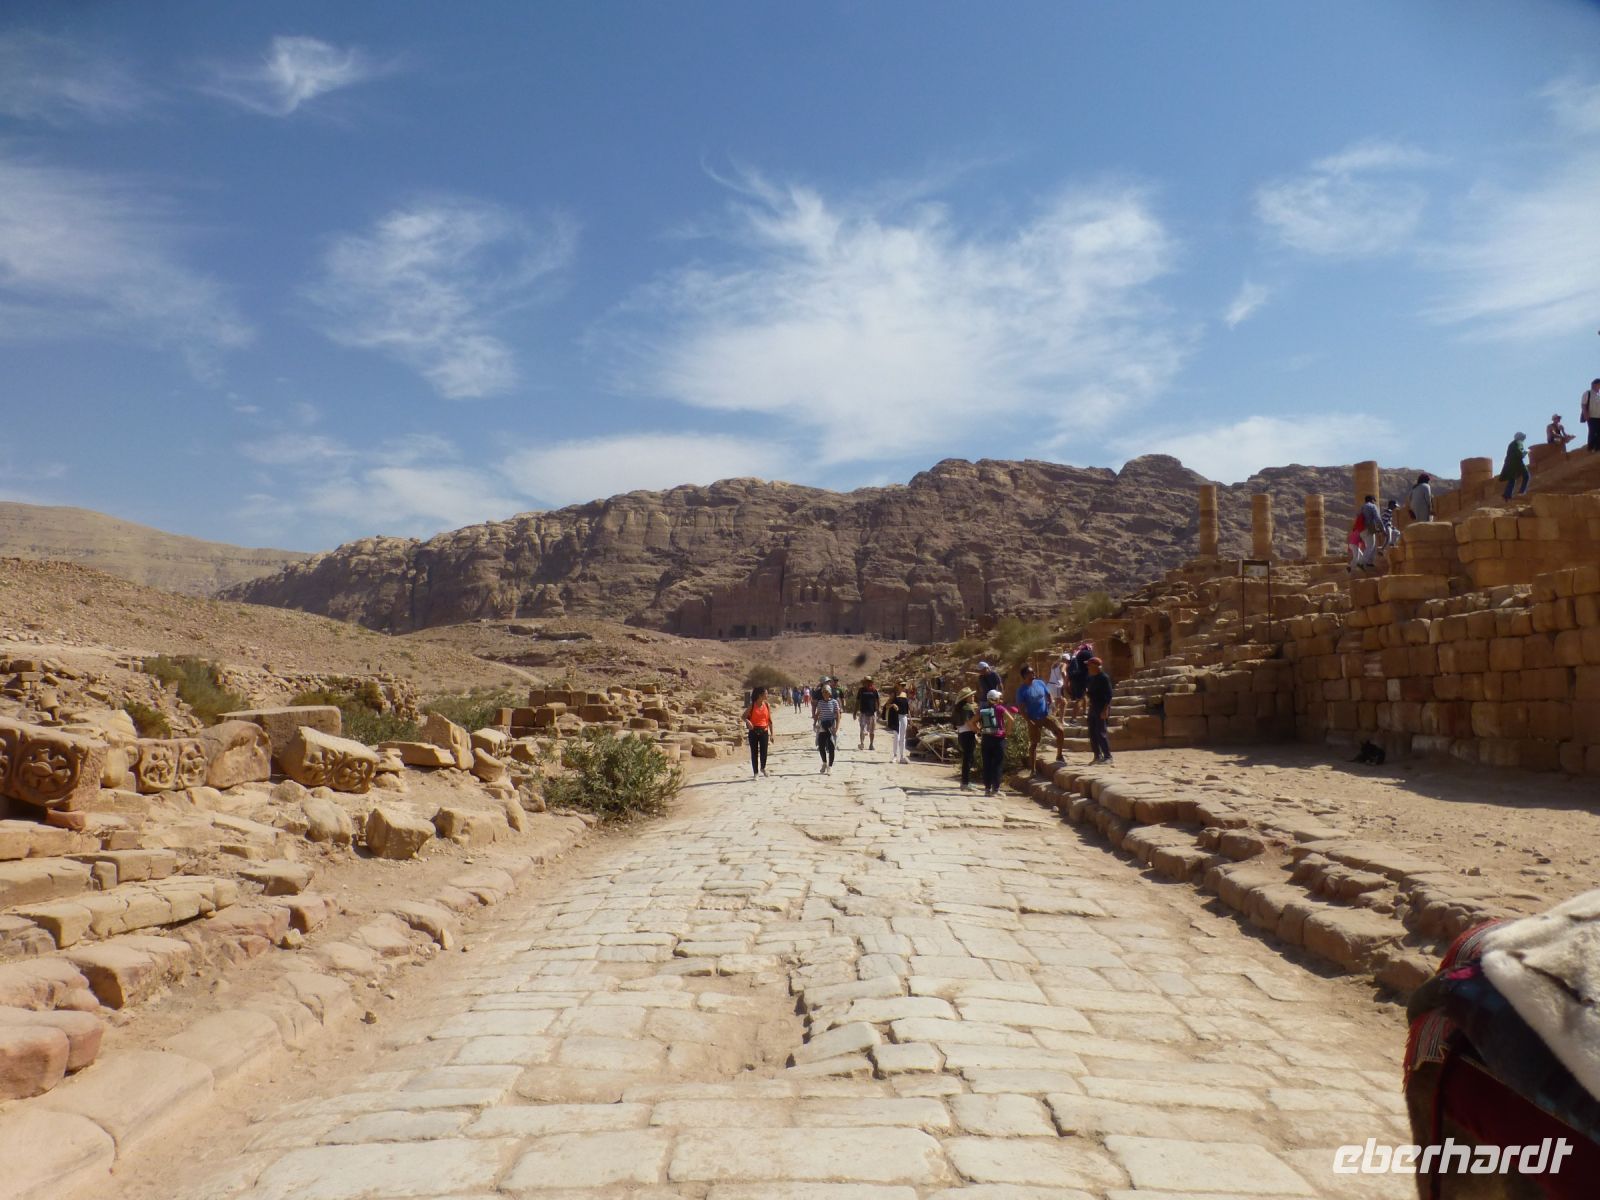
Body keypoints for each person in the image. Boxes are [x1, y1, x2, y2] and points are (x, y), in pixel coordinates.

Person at [1014, 663, 1066, 769]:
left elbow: (1048, 694)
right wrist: (1029, 721)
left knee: (1060, 730)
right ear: (1024, 675)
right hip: (1033, 719)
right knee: (1034, 744)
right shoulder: (1021, 690)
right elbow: (1021, 709)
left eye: (1033, 671)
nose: (1033, 673)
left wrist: (1050, 701)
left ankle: (1059, 755)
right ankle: (1032, 769)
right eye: (1030, 672)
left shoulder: (1040, 683)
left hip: (1046, 715)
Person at [976, 688, 1011, 796]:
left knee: (987, 764)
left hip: (986, 738)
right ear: (996, 699)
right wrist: (1007, 732)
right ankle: (995, 789)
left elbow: (972, 722)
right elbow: (1011, 719)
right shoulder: (1000, 708)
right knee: (997, 764)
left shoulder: (982, 710)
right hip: (998, 739)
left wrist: (979, 731)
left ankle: (987, 788)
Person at [1085, 657, 1115, 765]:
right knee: (1092, 732)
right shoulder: (1091, 678)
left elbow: (1109, 695)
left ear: (1094, 666)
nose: (1087, 667)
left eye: (1089, 665)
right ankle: (1097, 755)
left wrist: (1105, 709)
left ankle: (1108, 756)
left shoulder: (1104, 678)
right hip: (1093, 707)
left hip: (1101, 707)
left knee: (1101, 732)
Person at [950, 686, 979, 792]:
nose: (973, 696)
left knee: (967, 759)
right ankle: (965, 783)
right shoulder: (967, 707)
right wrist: (977, 731)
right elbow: (968, 722)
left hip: (961, 734)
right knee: (968, 759)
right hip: (968, 734)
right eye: (971, 695)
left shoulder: (958, 708)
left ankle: (965, 782)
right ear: (966, 698)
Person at [742, 687, 772, 778]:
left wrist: (772, 734)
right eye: (766, 693)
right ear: (760, 695)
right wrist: (748, 722)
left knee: (764, 752)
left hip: (764, 731)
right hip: (753, 731)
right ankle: (755, 773)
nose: (767, 695)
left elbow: (770, 720)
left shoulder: (767, 705)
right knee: (754, 752)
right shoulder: (752, 705)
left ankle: (763, 768)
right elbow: (743, 716)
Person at [813, 686, 840, 774]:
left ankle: (830, 766)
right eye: (823, 692)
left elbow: (838, 715)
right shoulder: (820, 703)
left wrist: (837, 727)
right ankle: (824, 763)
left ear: (830, 693)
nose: (825, 694)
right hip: (822, 727)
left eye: (826, 692)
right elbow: (817, 713)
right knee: (821, 747)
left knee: (831, 747)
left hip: (831, 727)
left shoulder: (834, 702)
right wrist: (815, 723)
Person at [1066, 643, 1093, 721]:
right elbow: (1092, 663)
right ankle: (1073, 719)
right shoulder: (1087, 653)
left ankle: (1085, 711)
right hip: (1083, 678)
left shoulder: (1077, 654)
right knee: (1080, 698)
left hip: (1075, 678)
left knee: (1084, 695)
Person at [1500, 433, 1530, 500]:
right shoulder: (1519, 443)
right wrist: (1526, 452)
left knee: (1512, 479)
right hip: (1517, 463)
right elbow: (1520, 454)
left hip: (1509, 464)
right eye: (1523, 438)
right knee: (1526, 476)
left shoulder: (1511, 444)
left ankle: (1507, 495)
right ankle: (1521, 492)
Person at [885, 686, 912, 764]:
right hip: (896, 717)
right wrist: (893, 705)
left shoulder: (905, 694)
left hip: (904, 717)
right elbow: (887, 705)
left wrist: (910, 719)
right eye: (901, 685)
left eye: (903, 685)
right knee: (897, 736)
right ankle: (894, 756)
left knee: (903, 737)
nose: (903, 686)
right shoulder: (894, 694)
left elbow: (907, 708)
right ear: (898, 685)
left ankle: (902, 757)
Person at [1357, 494, 1383, 568]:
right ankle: (1362, 563)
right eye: (1374, 501)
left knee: (1371, 546)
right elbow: (1378, 518)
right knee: (1370, 546)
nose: (1374, 502)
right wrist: (1382, 529)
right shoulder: (1372, 506)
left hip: (1361, 529)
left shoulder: (1361, 507)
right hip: (1369, 529)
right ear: (1372, 500)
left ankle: (1369, 562)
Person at [855, 677, 880, 749]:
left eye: (869, 681)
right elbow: (857, 701)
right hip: (863, 712)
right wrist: (855, 712)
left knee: (872, 730)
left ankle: (871, 744)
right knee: (862, 729)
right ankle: (862, 743)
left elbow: (877, 700)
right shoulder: (861, 690)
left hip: (872, 712)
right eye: (866, 681)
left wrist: (878, 710)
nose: (868, 683)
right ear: (864, 682)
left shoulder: (874, 690)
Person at [1047, 652, 1068, 719]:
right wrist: (1066, 683)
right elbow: (1062, 672)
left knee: (1056, 703)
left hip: (1050, 685)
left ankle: (1054, 719)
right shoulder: (1063, 664)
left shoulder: (1054, 665)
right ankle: (1058, 720)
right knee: (1063, 702)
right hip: (1057, 686)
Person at [1585, 379, 1600, 453]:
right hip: (1591, 416)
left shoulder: (1598, 395)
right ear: (1594, 384)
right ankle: (1591, 447)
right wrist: (1585, 414)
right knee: (1593, 431)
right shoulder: (1588, 393)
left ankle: (1597, 447)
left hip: (1598, 417)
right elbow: (1583, 405)